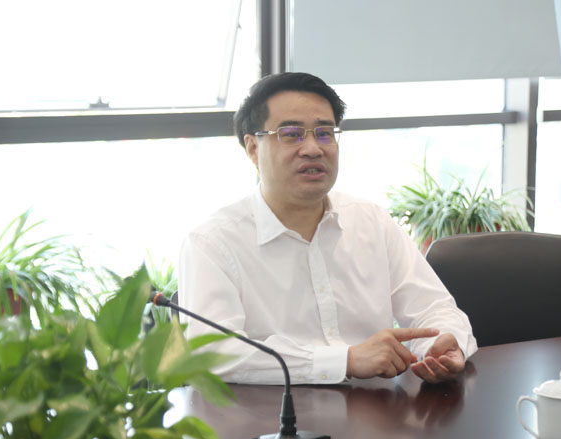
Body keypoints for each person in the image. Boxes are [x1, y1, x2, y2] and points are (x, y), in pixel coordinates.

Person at [178, 72, 477, 385]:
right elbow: (213, 352)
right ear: (252, 148)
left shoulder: (371, 221)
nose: (313, 149)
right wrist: (344, 360)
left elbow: (434, 308)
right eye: (291, 134)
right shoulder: (211, 243)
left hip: (378, 409)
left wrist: (442, 345)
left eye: (324, 133)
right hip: (271, 414)